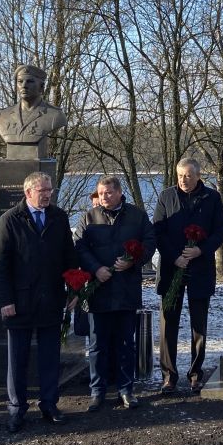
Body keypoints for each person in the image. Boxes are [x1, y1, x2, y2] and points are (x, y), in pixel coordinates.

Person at [0, 172, 77, 432]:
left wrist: (74, 288)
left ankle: (49, 404)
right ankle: (16, 409)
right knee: (17, 358)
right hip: (20, 300)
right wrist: (5, 299)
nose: (48, 194)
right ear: (28, 192)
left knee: (50, 356)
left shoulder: (59, 217)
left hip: (51, 297)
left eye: (50, 189)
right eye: (42, 190)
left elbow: (68, 256)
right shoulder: (9, 220)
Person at [72, 175, 155, 412]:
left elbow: (149, 242)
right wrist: (95, 269)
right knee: (97, 344)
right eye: (100, 193)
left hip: (126, 289)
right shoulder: (89, 217)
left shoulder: (136, 216)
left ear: (119, 193)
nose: (104, 197)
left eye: (108, 193)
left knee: (125, 343)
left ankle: (126, 389)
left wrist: (134, 261)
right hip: (98, 291)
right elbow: (79, 246)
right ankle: (97, 391)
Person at [154, 158, 223, 395]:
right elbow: (158, 231)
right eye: (180, 175)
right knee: (168, 324)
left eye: (188, 175)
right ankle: (169, 376)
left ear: (198, 175)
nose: (183, 180)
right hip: (171, 268)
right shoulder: (166, 196)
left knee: (199, 326)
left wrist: (201, 250)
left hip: (200, 268)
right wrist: (174, 256)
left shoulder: (212, 198)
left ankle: (195, 374)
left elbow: (219, 231)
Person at [0, 65, 68, 159]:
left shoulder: (55, 115)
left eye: (30, 81)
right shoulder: (1, 117)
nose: (24, 85)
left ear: (41, 87)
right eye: (20, 81)